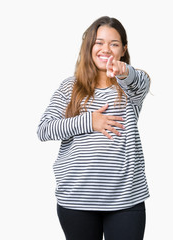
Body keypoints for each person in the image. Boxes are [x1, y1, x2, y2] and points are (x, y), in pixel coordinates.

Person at [37, 16, 151, 240]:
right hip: (76, 199)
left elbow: (137, 79)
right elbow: (44, 129)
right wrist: (90, 121)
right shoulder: (70, 87)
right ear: (89, 46)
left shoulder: (133, 86)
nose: (105, 49)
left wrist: (124, 72)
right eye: (99, 42)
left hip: (125, 200)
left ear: (123, 49)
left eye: (114, 43)